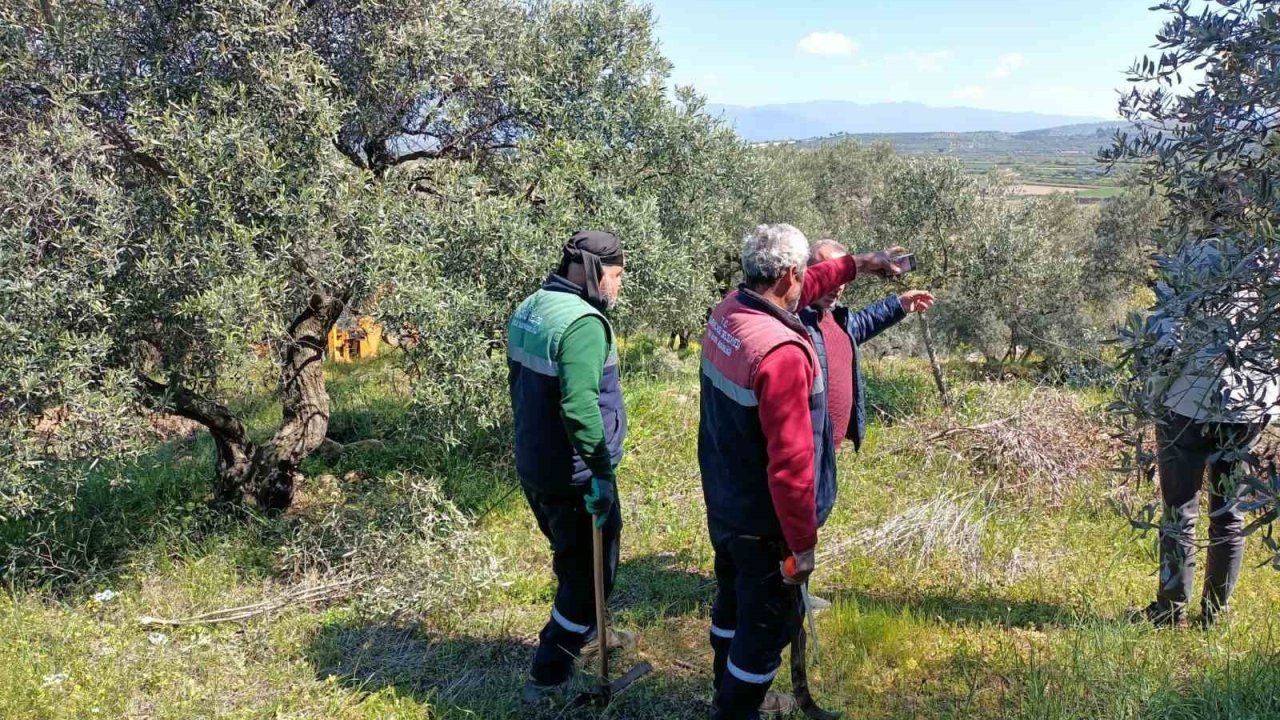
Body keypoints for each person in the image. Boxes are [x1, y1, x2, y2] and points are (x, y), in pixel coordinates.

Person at [698, 223, 904, 719]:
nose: (812, 282)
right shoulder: (783, 353)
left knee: (731, 600)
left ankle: (721, 683)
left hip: (725, 500)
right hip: (765, 522)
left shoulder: (730, 311)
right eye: (805, 274)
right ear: (790, 273)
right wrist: (802, 543)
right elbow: (791, 466)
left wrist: (865, 263)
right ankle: (735, 709)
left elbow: (805, 288)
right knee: (766, 627)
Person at [507, 230, 632, 703]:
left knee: (572, 558)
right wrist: (601, 471)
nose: (619, 286)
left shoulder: (532, 305)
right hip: (575, 475)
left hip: (536, 463)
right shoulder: (583, 324)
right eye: (617, 276)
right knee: (588, 579)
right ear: (592, 269)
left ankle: (590, 631)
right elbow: (580, 406)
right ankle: (548, 674)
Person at [1134, 235, 1278, 629]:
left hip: (1187, 403)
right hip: (1248, 408)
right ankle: (1214, 616)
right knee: (1229, 513)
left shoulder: (1191, 258)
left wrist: (1154, 392)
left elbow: (1166, 334)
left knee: (1179, 510)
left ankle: (1170, 611)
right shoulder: (1271, 263)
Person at [797, 239, 934, 608]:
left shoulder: (835, 318)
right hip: (802, 446)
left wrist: (900, 305)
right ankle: (786, 592)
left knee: (814, 514)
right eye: (829, 278)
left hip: (827, 445)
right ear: (809, 272)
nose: (836, 288)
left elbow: (859, 325)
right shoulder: (794, 323)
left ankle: (794, 589)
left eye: (842, 282)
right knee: (795, 519)